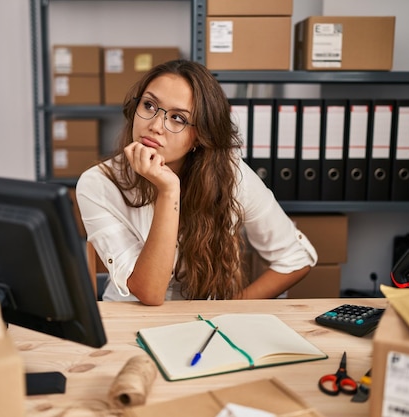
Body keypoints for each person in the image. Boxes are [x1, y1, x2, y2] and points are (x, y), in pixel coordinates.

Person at [76, 59, 317, 305]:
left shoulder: (230, 175)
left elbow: (296, 259)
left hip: (203, 322)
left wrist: (234, 309)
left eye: (178, 118)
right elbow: (149, 292)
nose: (155, 126)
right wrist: (168, 191)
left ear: (200, 136)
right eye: (149, 105)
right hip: (128, 318)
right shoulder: (98, 184)